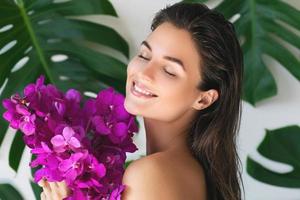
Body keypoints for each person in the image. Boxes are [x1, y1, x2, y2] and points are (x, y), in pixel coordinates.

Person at [39, 2, 244, 200]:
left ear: (203, 99)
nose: (144, 73)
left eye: (169, 70)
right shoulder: (190, 170)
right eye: (145, 55)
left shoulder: (151, 173)